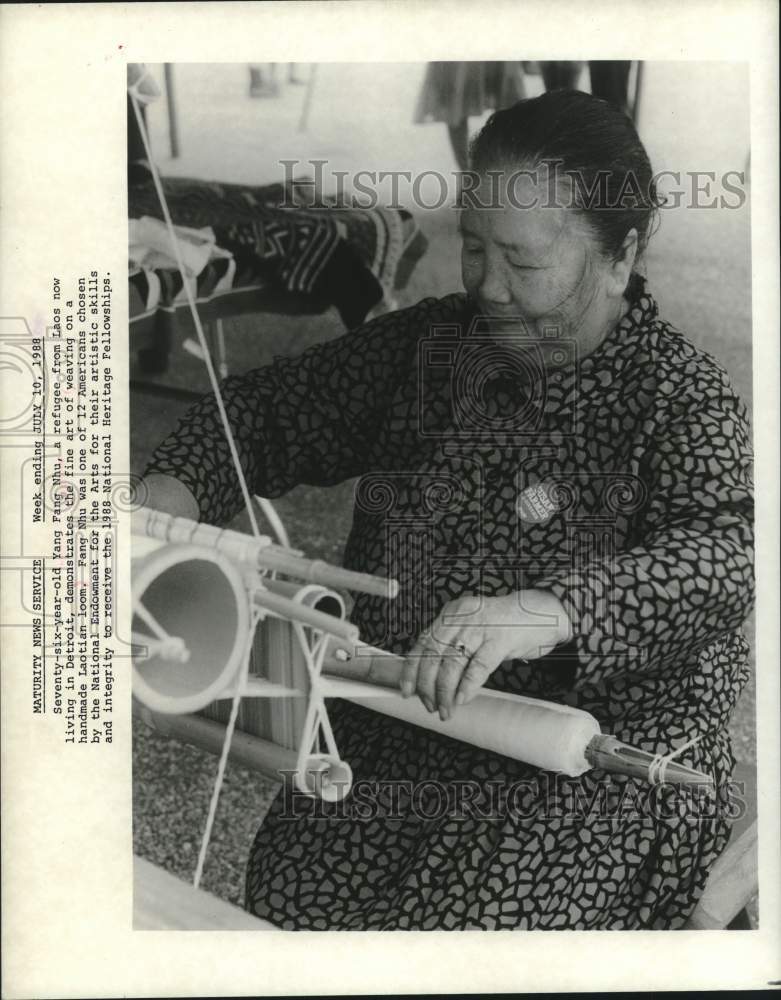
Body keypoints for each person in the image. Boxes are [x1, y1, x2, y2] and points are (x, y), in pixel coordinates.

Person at [142, 90, 754, 929]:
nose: (489, 287)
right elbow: (257, 414)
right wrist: (152, 517)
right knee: (296, 906)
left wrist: (550, 611)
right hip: (402, 716)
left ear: (623, 254)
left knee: (468, 929)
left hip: (591, 763)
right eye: (473, 247)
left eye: (524, 263)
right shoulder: (434, 349)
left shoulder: (680, 403)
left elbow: (726, 556)